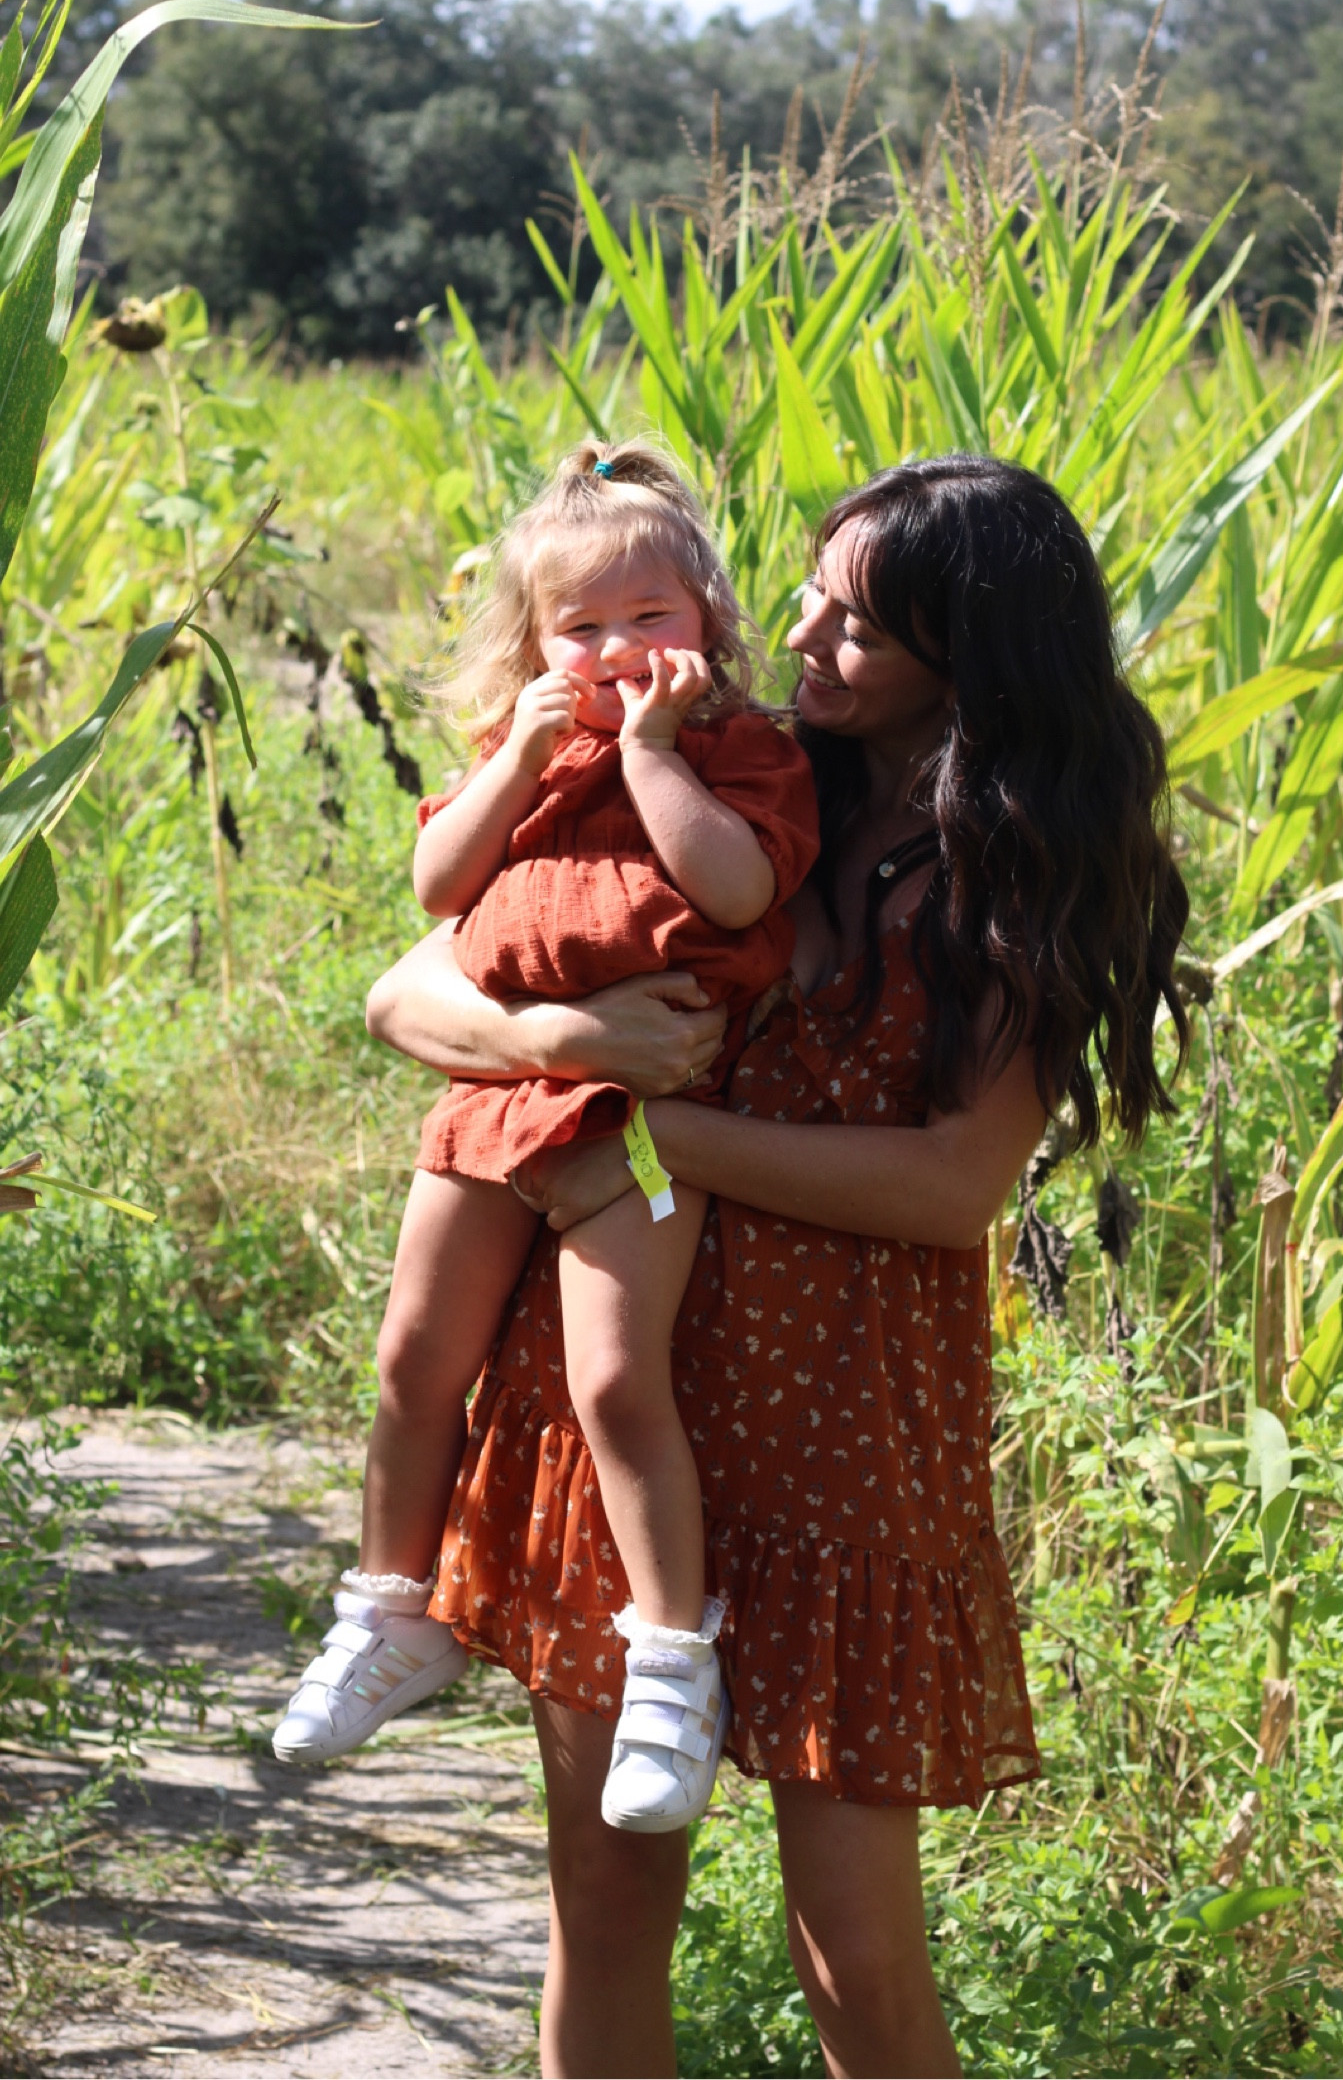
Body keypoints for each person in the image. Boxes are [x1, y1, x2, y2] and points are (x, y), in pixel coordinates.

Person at [368, 452, 1190, 2079]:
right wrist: (558, 1037)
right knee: (601, 1903)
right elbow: (403, 996)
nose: (801, 633)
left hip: (845, 1427)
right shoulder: (724, 769)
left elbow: (952, 1188)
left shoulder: (1018, 871)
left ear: (970, 654)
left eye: (857, 623)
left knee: (859, 1963)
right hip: (614, 1388)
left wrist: (650, 1129)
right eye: (807, 591)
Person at [273, 442, 819, 1838]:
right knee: (411, 1357)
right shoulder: (517, 756)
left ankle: (669, 1667)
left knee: (618, 1382)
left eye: (652, 619)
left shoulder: (738, 752)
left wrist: (646, 754)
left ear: (707, 621)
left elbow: (738, 883)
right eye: (579, 628)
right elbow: (438, 885)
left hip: (645, 1115)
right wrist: (521, 751)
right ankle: (394, 1613)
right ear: (529, 645)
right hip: (493, 1092)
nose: (618, 651)